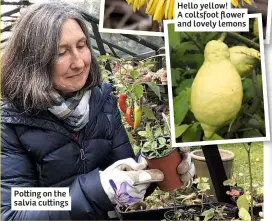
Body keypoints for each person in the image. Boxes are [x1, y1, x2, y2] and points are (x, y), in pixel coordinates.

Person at [1, 2, 195, 220]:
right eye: (61, 52)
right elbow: (14, 210)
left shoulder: (102, 99)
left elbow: (126, 177)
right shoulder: (11, 123)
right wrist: (97, 189)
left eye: (82, 46)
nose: (79, 62)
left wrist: (158, 160)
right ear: (33, 61)